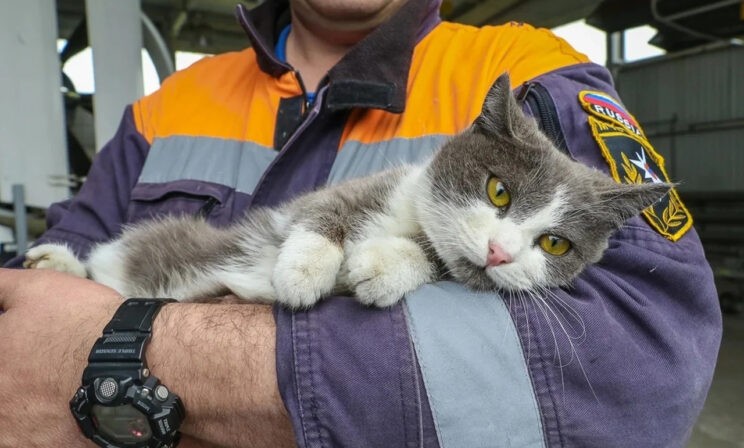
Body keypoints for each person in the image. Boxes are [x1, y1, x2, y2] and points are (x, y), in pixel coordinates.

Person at [0, 0, 721, 446]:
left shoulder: (519, 70)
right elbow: (50, 274)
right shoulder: (171, 101)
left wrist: (140, 361)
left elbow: (647, 362)